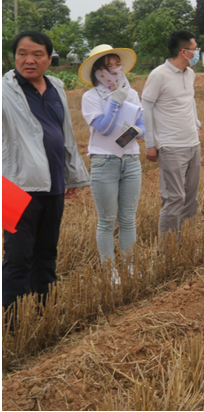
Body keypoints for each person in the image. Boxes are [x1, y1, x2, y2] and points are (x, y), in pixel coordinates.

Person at [2, 31, 90, 315]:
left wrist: (71, 174)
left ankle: (44, 309)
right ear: (14, 57)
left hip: (53, 184)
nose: (29, 60)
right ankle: (11, 320)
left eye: (37, 54)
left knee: (46, 252)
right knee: (17, 256)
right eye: (22, 54)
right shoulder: (4, 90)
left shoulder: (56, 86)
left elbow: (65, 134)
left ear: (49, 59)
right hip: (14, 187)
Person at [79, 44, 143, 284]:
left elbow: (143, 125)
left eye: (117, 65)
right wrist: (115, 101)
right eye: (108, 67)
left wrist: (138, 130)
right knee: (107, 220)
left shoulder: (133, 93)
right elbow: (104, 127)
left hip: (131, 160)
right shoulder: (91, 97)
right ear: (98, 71)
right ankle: (109, 271)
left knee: (128, 218)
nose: (115, 71)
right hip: (104, 161)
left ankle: (128, 266)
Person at [142, 30, 202, 238]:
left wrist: (196, 125)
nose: (198, 52)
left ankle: (186, 239)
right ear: (184, 52)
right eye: (195, 49)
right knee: (174, 198)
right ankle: (168, 248)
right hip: (171, 147)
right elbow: (146, 108)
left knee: (191, 198)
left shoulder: (190, 74)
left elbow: (190, 100)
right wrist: (150, 143)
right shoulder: (159, 75)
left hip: (193, 144)